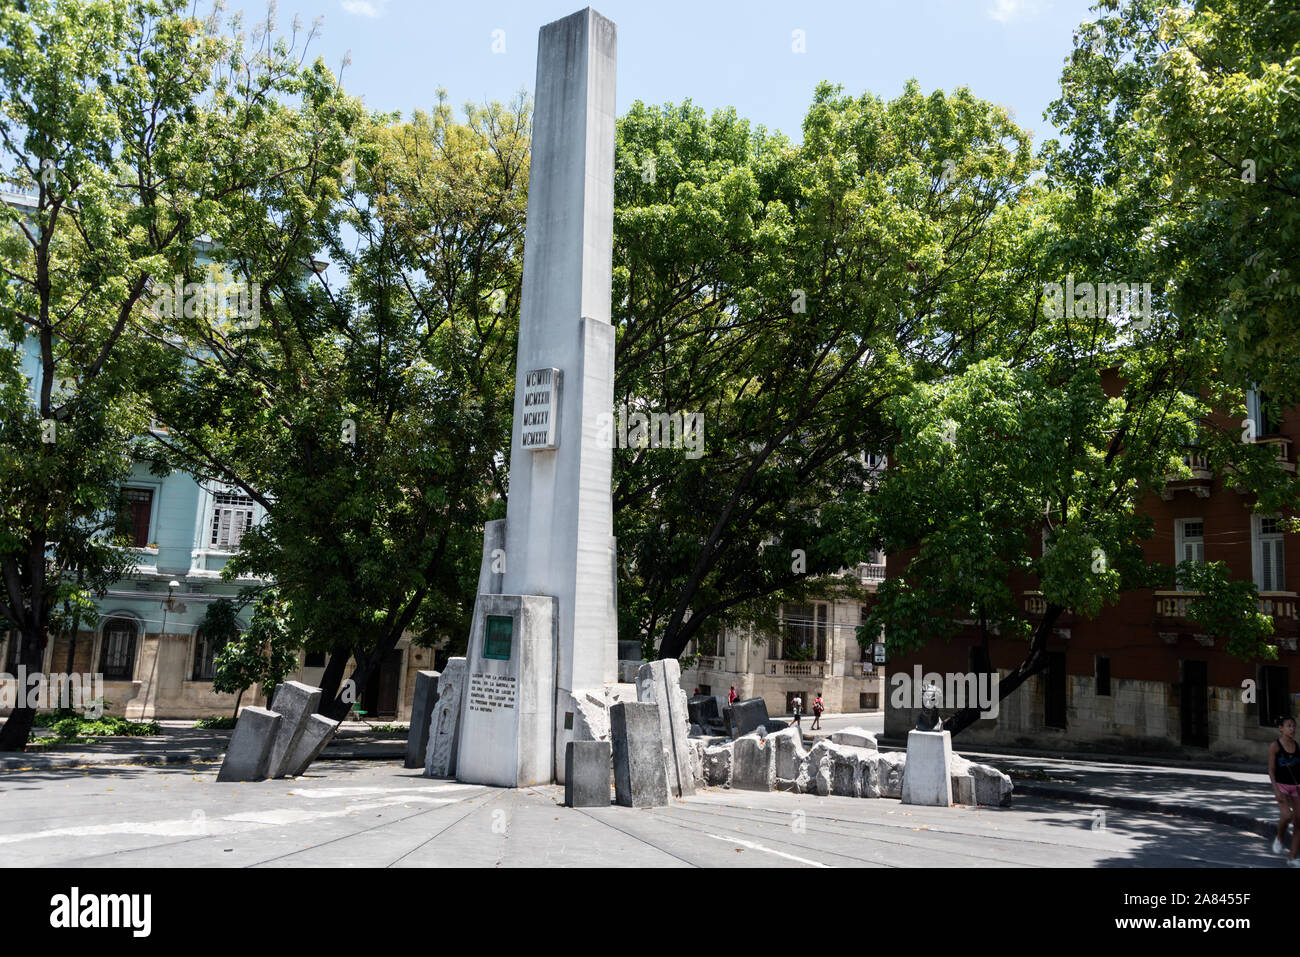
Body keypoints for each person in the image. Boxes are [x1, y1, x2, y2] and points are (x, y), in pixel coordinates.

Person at [1269, 713, 1300, 865]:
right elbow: (1271, 769)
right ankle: (1280, 837)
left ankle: (1292, 858)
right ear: (1281, 728)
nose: (1292, 729)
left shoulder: (1296, 745)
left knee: (1299, 822)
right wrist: (1276, 790)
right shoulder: (1275, 746)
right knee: (1287, 816)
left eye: (1294, 726)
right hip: (1281, 786)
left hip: (1296, 787)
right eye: (1289, 726)